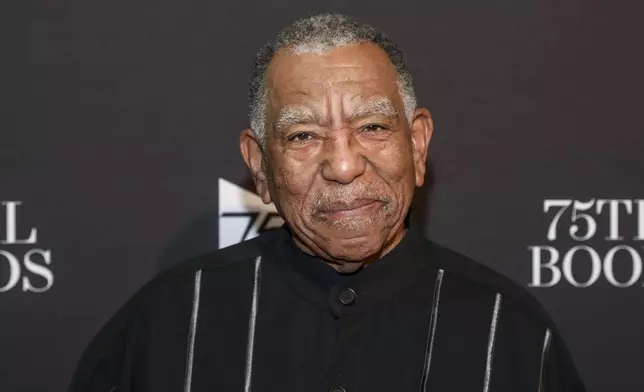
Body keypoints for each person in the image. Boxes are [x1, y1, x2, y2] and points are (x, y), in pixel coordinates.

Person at [69, 13, 586, 392]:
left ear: (418, 144)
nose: (343, 165)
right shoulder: (166, 322)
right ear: (259, 166)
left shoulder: (510, 329)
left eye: (373, 127)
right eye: (303, 136)